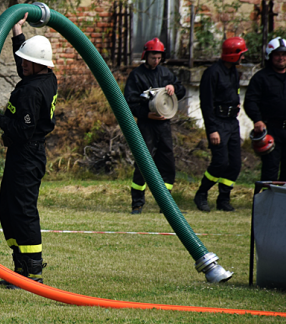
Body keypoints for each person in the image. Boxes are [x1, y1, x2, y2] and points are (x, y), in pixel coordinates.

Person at [0, 15, 57, 286]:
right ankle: (20, 267)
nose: (22, 65)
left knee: (22, 211)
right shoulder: (44, 77)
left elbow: (21, 131)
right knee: (8, 209)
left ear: (37, 66)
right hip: (23, 155)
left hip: (27, 154)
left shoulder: (32, 93)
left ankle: (33, 270)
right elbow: (24, 61)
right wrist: (17, 32)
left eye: (27, 62)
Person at [123, 38, 186, 214]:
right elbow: (130, 102)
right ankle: (137, 203)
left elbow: (181, 91)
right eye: (153, 57)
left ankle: (166, 205)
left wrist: (173, 87)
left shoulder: (166, 74)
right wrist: (146, 114)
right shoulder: (137, 76)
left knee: (167, 162)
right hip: (146, 125)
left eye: (159, 58)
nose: (156, 61)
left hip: (164, 125)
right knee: (144, 162)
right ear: (146, 56)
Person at [194, 37, 246, 212]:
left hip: (232, 123)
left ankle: (224, 198)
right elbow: (206, 103)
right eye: (241, 54)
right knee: (220, 162)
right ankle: (202, 193)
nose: (243, 58)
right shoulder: (212, 73)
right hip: (218, 122)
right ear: (233, 55)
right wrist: (212, 129)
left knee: (235, 164)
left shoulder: (233, 72)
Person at [244, 37, 286, 182]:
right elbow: (250, 101)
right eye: (277, 54)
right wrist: (257, 120)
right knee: (270, 169)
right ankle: (268, 203)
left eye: (284, 54)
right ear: (270, 56)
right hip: (271, 130)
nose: (281, 58)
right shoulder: (260, 78)